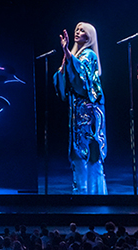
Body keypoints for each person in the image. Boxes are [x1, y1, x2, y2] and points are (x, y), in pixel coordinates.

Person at [53, 22, 107, 194]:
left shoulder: (89, 54)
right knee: (78, 153)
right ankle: (81, 193)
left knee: (90, 152)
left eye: (82, 30)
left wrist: (67, 54)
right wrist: (66, 59)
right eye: (77, 29)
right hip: (77, 111)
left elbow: (83, 79)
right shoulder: (75, 55)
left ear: (89, 36)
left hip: (90, 112)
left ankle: (93, 194)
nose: (78, 32)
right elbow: (64, 80)